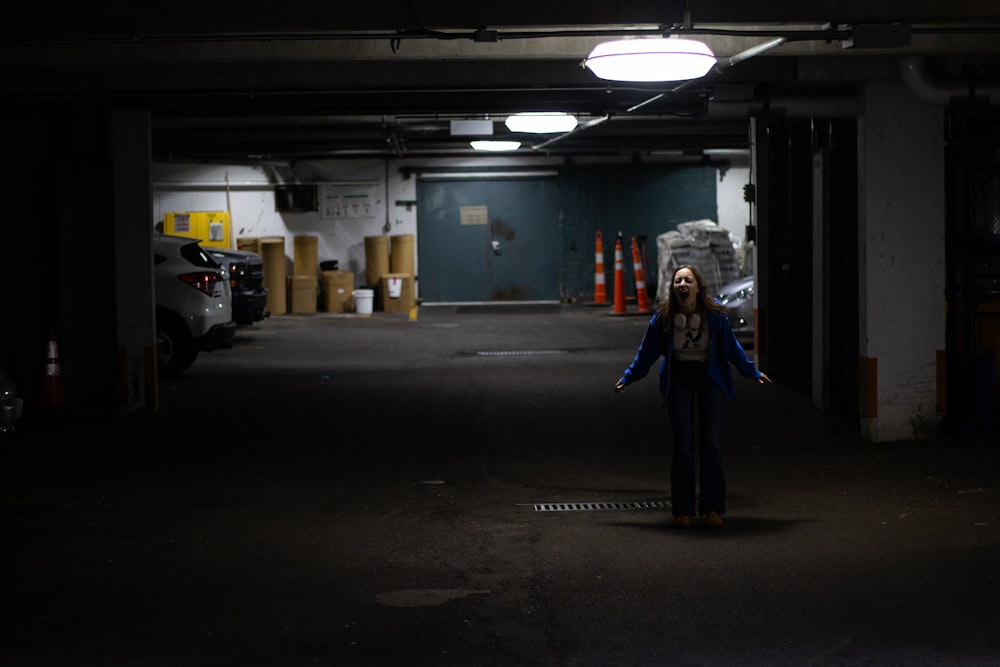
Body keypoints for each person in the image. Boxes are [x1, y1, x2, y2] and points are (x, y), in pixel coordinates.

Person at [614, 264, 771, 529]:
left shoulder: (714, 315)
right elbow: (647, 353)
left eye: (688, 280)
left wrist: (750, 371)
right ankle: (682, 510)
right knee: (683, 446)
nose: (682, 285)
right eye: (678, 282)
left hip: (710, 378)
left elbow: (732, 348)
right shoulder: (663, 317)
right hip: (679, 380)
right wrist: (629, 377)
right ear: (673, 288)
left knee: (711, 444)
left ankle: (712, 508)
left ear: (698, 286)